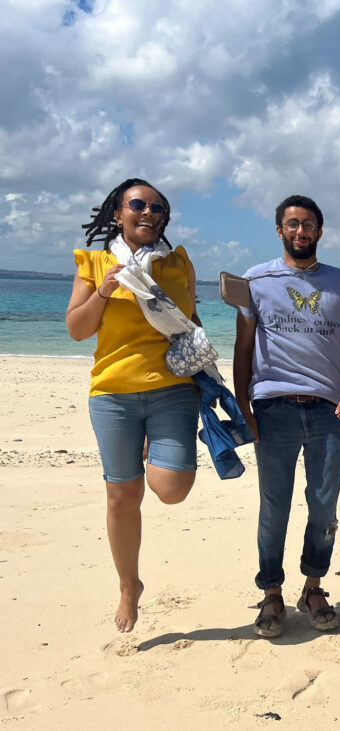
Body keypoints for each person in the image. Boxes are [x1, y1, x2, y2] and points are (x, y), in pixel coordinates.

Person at [67, 178, 202, 633]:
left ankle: (154, 450)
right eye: (138, 204)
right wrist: (103, 292)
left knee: (172, 489)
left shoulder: (178, 262)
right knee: (122, 497)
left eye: (157, 207)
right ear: (117, 213)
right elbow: (77, 330)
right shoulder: (96, 263)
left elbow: (191, 322)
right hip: (113, 394)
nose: (149, 212)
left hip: (173, 389)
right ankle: (129, 586)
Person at [233, 194, 340, 637]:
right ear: (279, 230)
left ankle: (313, 587)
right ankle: (271, 593)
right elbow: (244, 347)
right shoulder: (256, 279)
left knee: (324, 505)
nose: (300, 231)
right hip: (273, 409)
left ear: (320, 231)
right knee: (274, 506)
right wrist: (243, 404)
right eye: (292, 224)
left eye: (308, 224)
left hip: (329, 411)